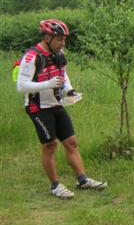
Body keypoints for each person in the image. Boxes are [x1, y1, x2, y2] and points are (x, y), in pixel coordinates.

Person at [16, 19, 107, 199]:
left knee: (71, 142)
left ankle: (82, 180)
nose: (63, 43)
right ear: (47, 38)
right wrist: (47, 84)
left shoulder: (59, 54)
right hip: (38, 107)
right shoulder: (31, 57)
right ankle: (55, 186)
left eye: (64, 39)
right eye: (59, 39)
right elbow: (21, 86)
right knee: (50, 146)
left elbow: (63, 76)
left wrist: (69, 90)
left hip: (57, 103)